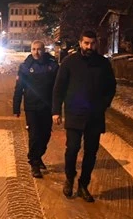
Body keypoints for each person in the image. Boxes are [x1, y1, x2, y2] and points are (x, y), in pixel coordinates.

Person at [52, 30, 116, 202]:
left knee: (91, 152)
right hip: (74, 114)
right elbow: (59, 88)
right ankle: (69, 178)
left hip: (94, 116)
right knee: (72, 149)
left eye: (92, 43)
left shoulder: (103, 64)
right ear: (80, 43)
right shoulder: (69, 62)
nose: (89, 46)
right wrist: (56, 111)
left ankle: (83, 185)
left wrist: (103, 104)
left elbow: (111, 87)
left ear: (96, 44)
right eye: (86, 43)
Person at [14, 40, 59, 178]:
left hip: (47, 106)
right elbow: (19, 88)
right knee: (34, 135)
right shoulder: (25, 67)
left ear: (44, 50)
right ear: (30, 50)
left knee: (45, 135)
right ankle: (34, 163)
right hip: (31, 106)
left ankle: (38, 156)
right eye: (33, 49)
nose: (36, 52)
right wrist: (16, 107)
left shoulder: (52, 65)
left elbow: (58, 87)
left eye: (39, 49)